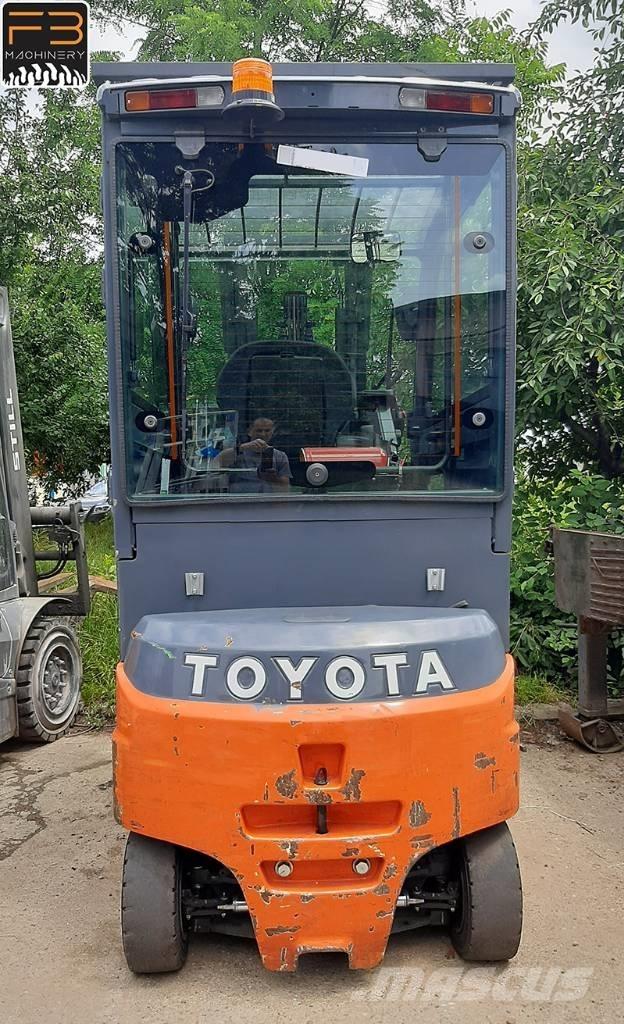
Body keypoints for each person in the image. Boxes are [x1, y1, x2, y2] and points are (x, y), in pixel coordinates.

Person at [221, 418, 291, 493]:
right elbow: (218, 461)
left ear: (272, 433)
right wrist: (243, 447)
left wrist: (273, 478)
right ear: (249, 432)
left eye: (267, 431)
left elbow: (285, 488)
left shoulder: (280, 456)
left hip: (268, 501)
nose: (263, 434)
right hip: (239, 500)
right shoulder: (238, 452)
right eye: (259, 431)